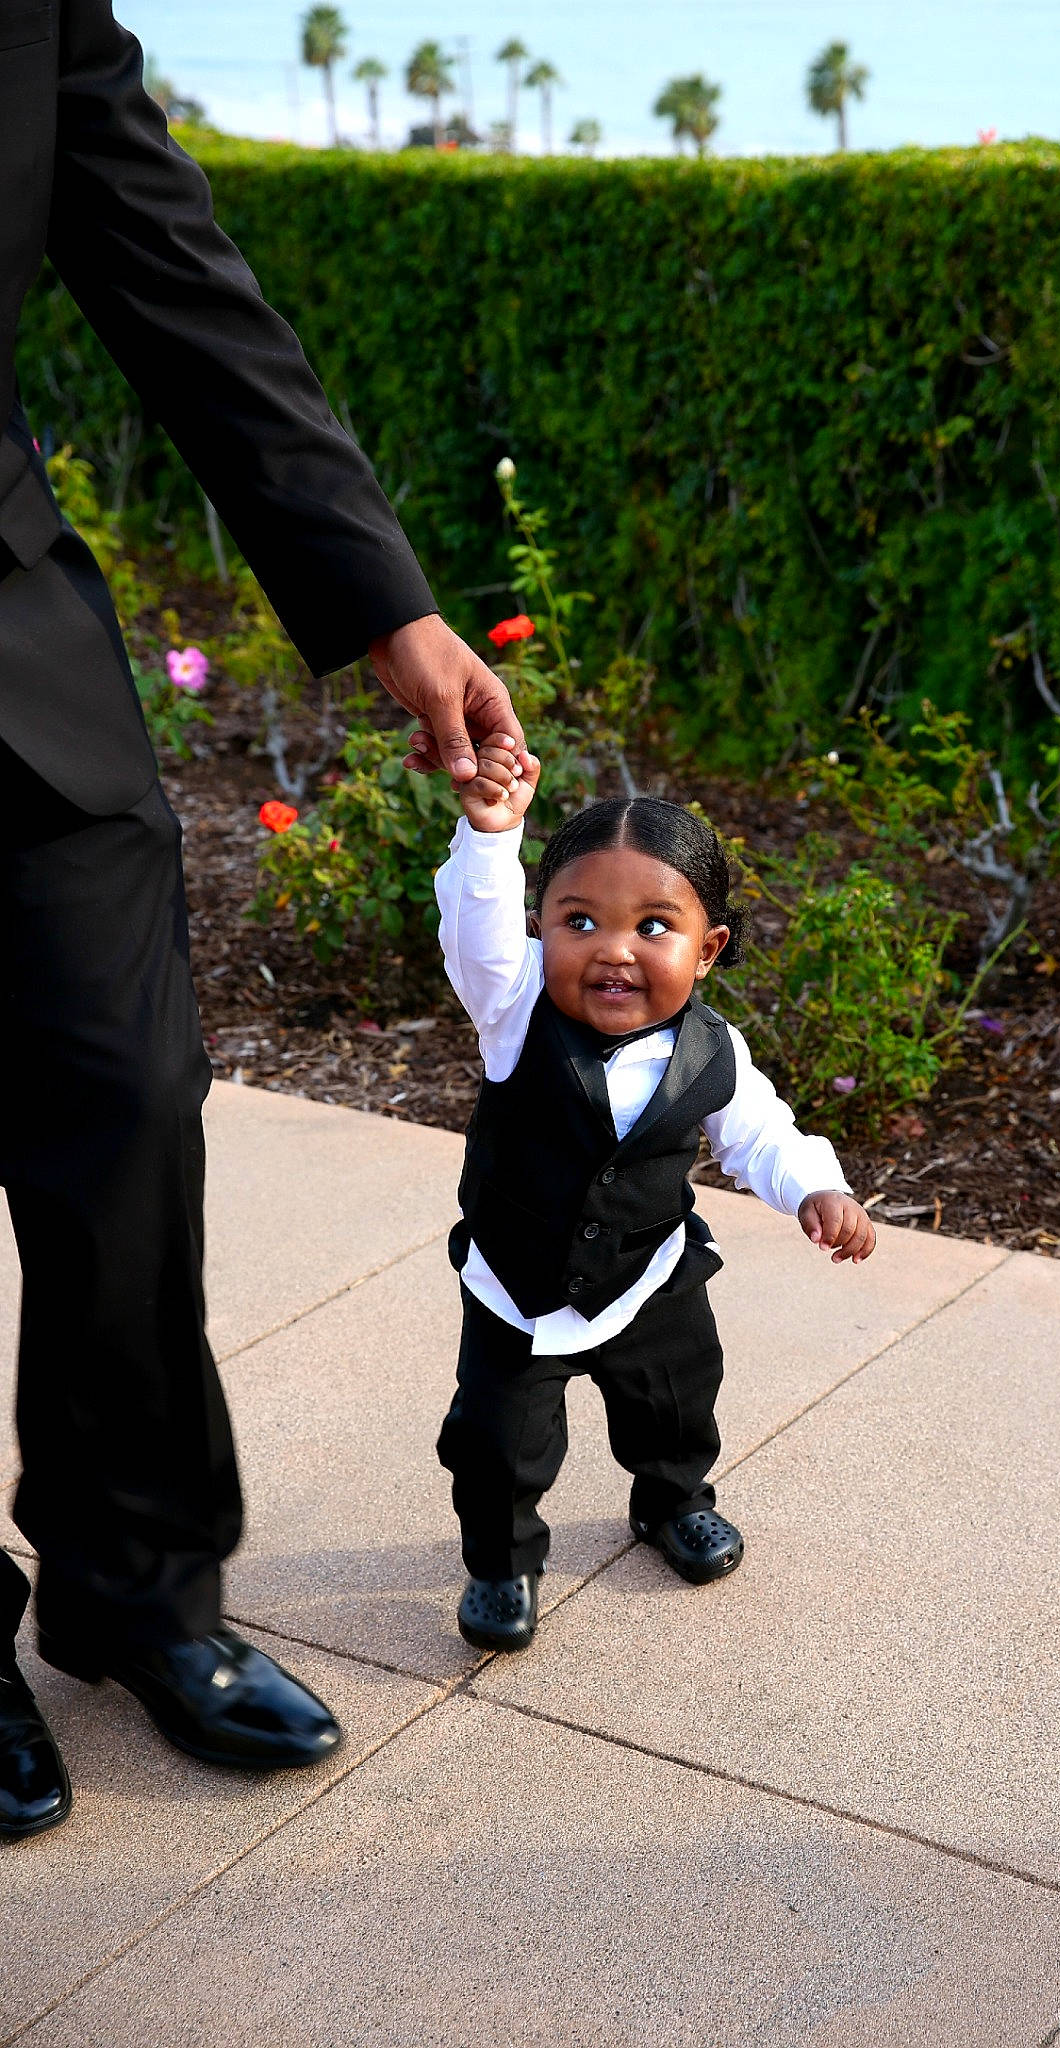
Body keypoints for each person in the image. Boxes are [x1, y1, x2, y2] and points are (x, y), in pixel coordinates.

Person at [0, 2, 528, 1839]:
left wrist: (389, 609)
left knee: (128, 1095)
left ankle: (136, 1584)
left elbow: (176, 276)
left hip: (11, 659)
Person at [432, 742, 877, 1652]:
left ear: (708, 948)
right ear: (539, 930)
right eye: (580, 922)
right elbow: (474, 932)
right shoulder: (514, 1011)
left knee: (677, 1405)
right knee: (495, 1446)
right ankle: (502, 1562)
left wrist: (816, 1188)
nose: (614, 952)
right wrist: (491, 835)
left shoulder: (717, 1050)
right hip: (518, 1285)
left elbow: (760, 1134)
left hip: (650, 1274)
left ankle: (671, 1503)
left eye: (654, 928)